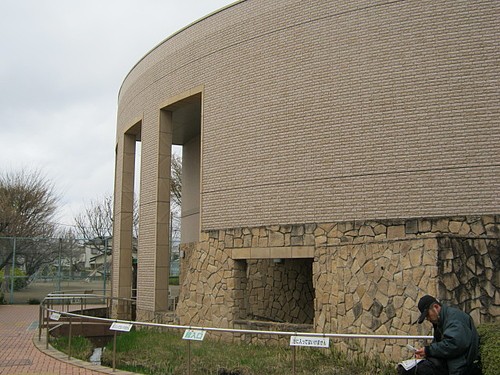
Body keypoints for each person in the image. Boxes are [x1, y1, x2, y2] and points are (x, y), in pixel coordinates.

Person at [397, 295, 481, 375]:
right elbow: (441, 345)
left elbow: (455, 344)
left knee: (415, 370)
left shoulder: (454, 318)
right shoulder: (441, 320)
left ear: (436, 307)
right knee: (406, 369)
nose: (428, 319)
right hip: (451, 363)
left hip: (461, 367)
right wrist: (425, 353)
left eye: (427, 315)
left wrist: (428, 351)